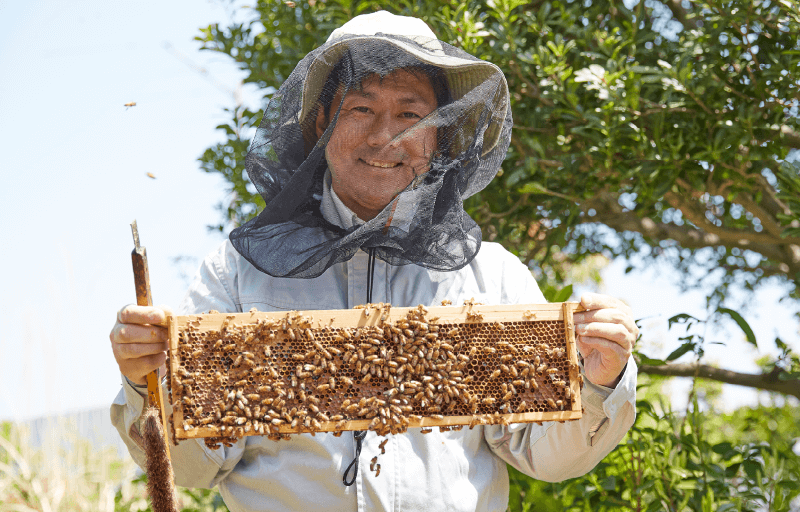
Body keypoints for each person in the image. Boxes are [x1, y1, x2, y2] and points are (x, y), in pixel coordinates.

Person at [110, 11, 638, 512]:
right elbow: (195, 466)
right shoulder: (236, 273)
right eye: (361, 109)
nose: (386, 136)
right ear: (321, 124)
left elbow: (544, 452)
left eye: (410, 114)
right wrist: (147, 384)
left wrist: (600, 380)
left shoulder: (492, 276)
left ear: (440, 133)